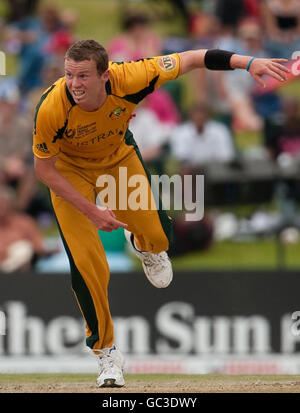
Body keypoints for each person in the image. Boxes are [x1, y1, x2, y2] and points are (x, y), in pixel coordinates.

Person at [32, 39, 289, 387]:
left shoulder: (132, 77)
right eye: (69, 75)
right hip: (69, 174)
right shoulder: (52, 107)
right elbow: (44, 171)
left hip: (116, 162)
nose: (74, 84)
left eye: (83, 76)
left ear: (105, 76)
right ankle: (106, 354)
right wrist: (92, 211)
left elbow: (196, 58)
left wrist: (248, 63)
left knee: (159, 238)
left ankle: (144, 246)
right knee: (86, 264)